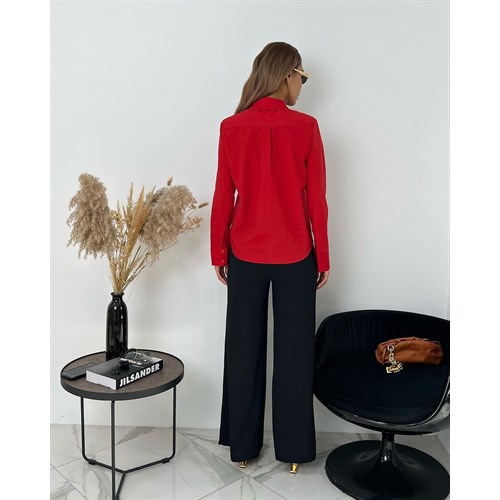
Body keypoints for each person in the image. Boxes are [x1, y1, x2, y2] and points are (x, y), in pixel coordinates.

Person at [210, 41, 330, 474]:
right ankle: (294, 451)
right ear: (286, 74)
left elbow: (223, 195)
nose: (302, 85)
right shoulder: (306, 127)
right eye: (302, 76)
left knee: (243, 349)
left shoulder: (232, 126)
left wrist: (218, 251)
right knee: (295, 353)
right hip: (296, 254)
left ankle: (243, 447)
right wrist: (323, 257)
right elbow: (316, 200)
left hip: (244, 253)